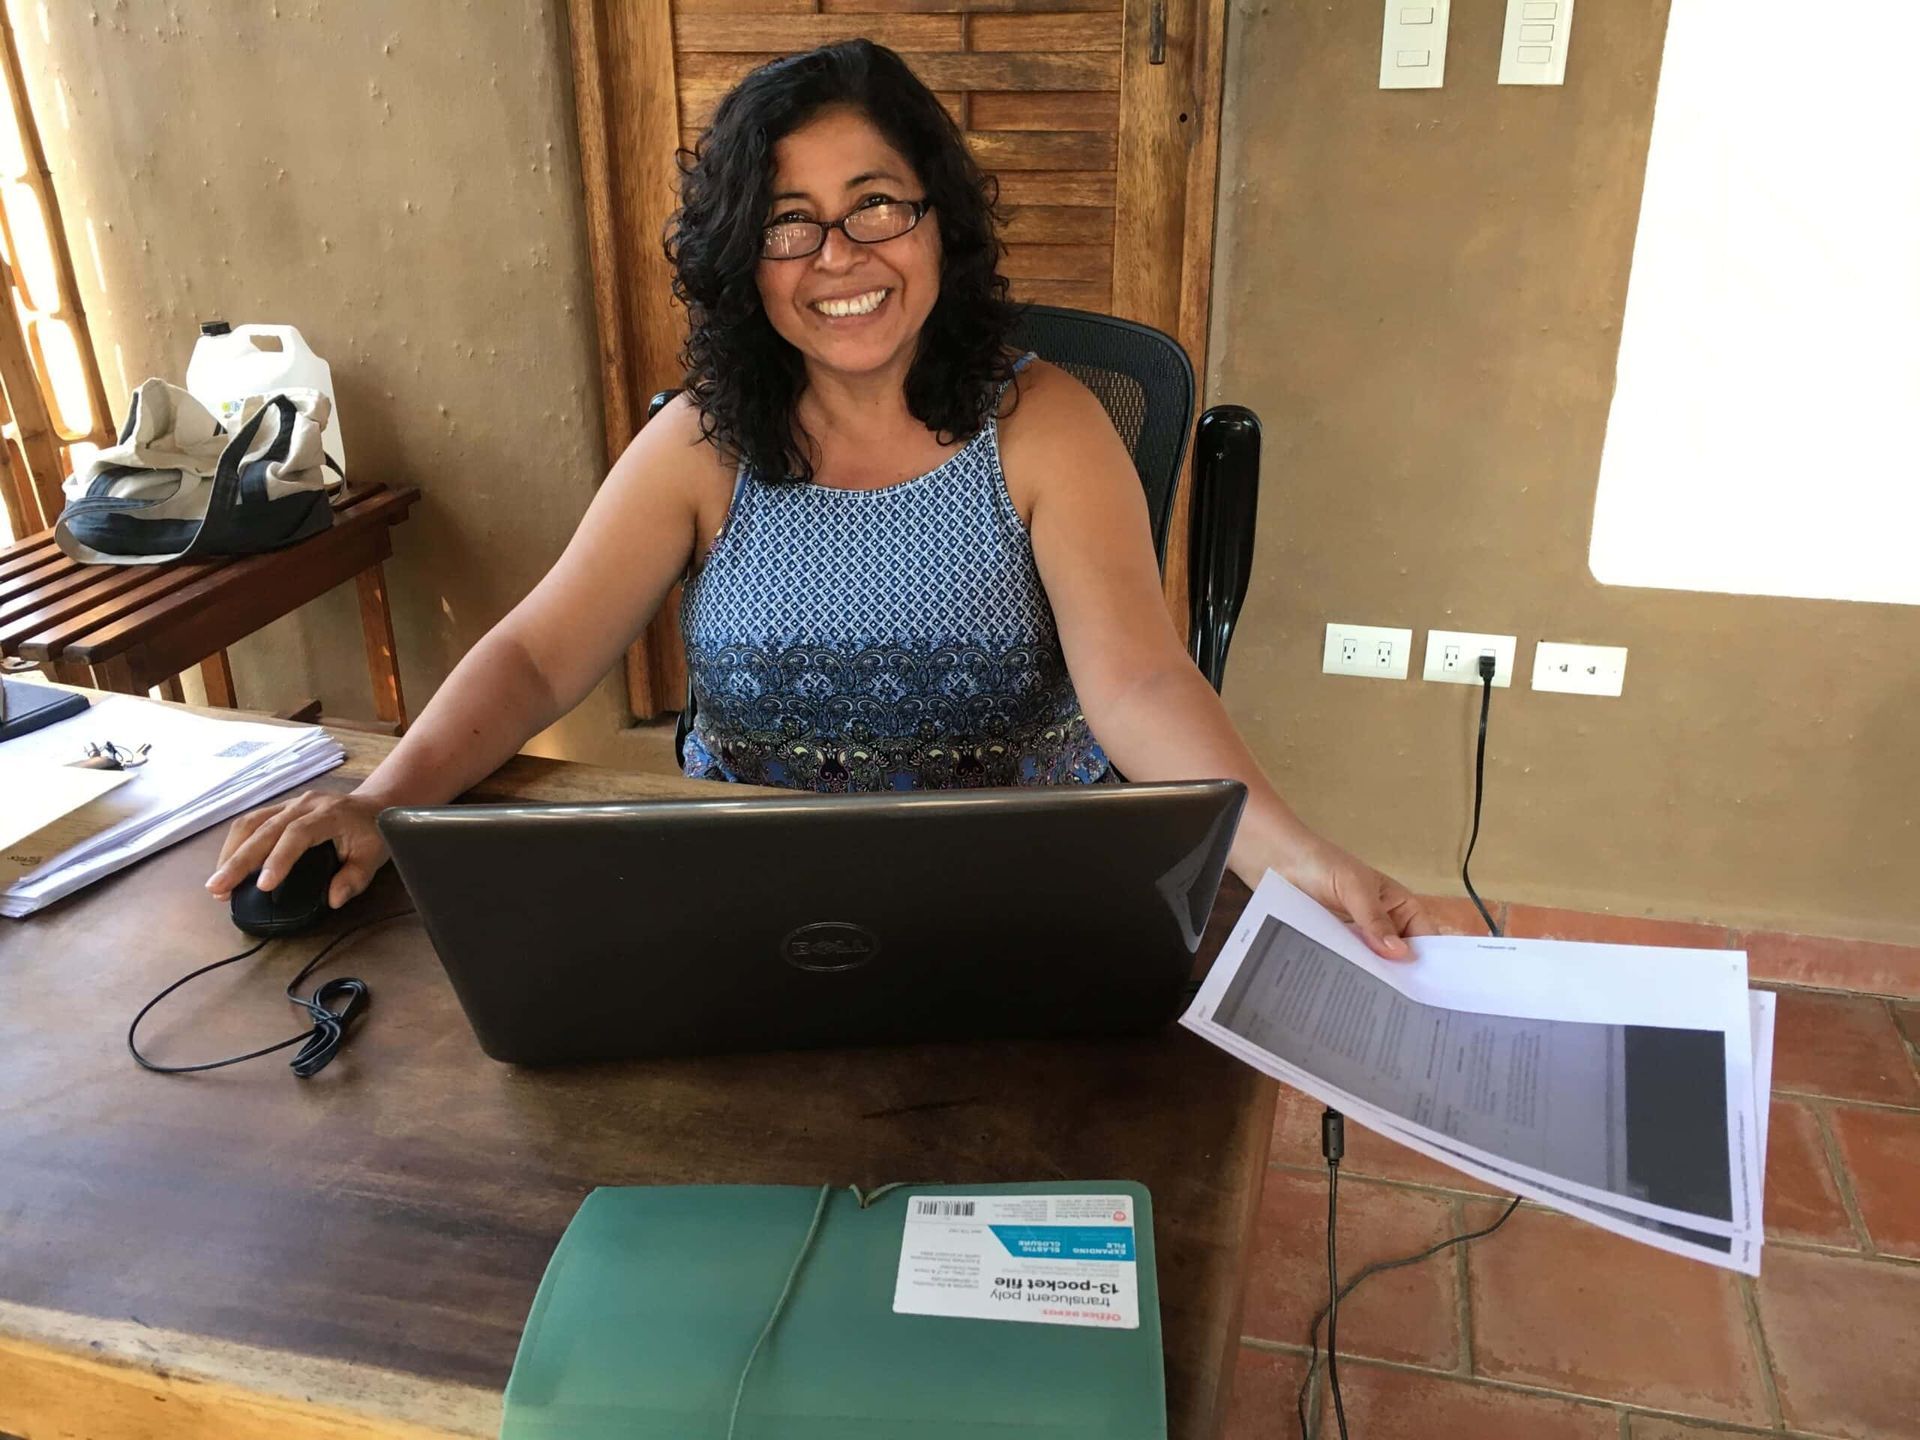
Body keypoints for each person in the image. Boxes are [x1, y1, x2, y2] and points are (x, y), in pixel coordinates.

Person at [207, 40, 1432, 959]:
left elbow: (1142, 686)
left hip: (1013, 909)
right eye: (789, 223)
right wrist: (383, 798)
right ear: (745, 260)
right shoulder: (703, 442)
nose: (839, 256)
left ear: (938, 222)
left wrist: (1299, 861)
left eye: (875, 205)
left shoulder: (1044, 422)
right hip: (756, 916)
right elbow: (535, 656)